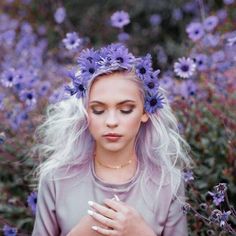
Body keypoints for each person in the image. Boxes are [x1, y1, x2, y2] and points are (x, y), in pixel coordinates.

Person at [31, 43, 193, 236]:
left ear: (145, 111)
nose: (111, 122)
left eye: (126, 110)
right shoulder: (56, 178)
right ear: (85, 113)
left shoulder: (167, 182)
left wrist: (140, 232)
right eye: (98, 110)